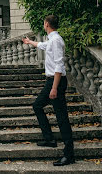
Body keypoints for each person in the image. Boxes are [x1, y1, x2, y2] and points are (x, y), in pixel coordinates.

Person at [22, 15, 75, 166]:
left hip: (55, 82)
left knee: (62, 117)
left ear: (46, 24)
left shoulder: (56, 40)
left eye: (43, 23)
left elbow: (59, 65)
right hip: (52, 81)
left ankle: (69, 155)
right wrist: (29, 41)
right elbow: (42, 45)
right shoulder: (52, 40)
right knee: (37, 106)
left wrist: (54, 88)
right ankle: (49, 139)